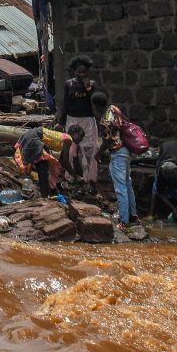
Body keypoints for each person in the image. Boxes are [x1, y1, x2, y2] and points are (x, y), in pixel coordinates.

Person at [93, 89, 138, 226]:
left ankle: (123, 220)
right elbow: (126, 121)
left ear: (96, 105)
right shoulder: (113, 108)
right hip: (126, 150)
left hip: (117, 153)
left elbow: (106, 142)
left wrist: (98, 155)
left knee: (120, 188)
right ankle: (133, 215)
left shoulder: (105, 120)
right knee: (128, 184)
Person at [57, 57, 101, 188]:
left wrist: (88, 88)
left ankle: (90, 180)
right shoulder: (68, 84)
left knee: (89, 150)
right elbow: (65, 104)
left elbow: (95, 101)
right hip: (72, 120)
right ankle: (73, 177)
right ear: (74, 71)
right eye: (79, 72)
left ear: (88, 72)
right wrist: (61, 121)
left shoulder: (92, 85)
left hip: (88, 121)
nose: (82, 75)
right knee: (71, 151)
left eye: (84, 72)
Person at [12, 125, 71, 196]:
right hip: (33, 138)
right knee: (43, 167)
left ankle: (47, 192)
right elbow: (65, 160)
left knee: (44, 166)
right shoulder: (69, 140)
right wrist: (75, 176)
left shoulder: (64, 137)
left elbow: (62, 159)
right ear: (75, 135)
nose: (80, 140)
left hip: (30, 136)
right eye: (80, 138)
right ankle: (45, 195)